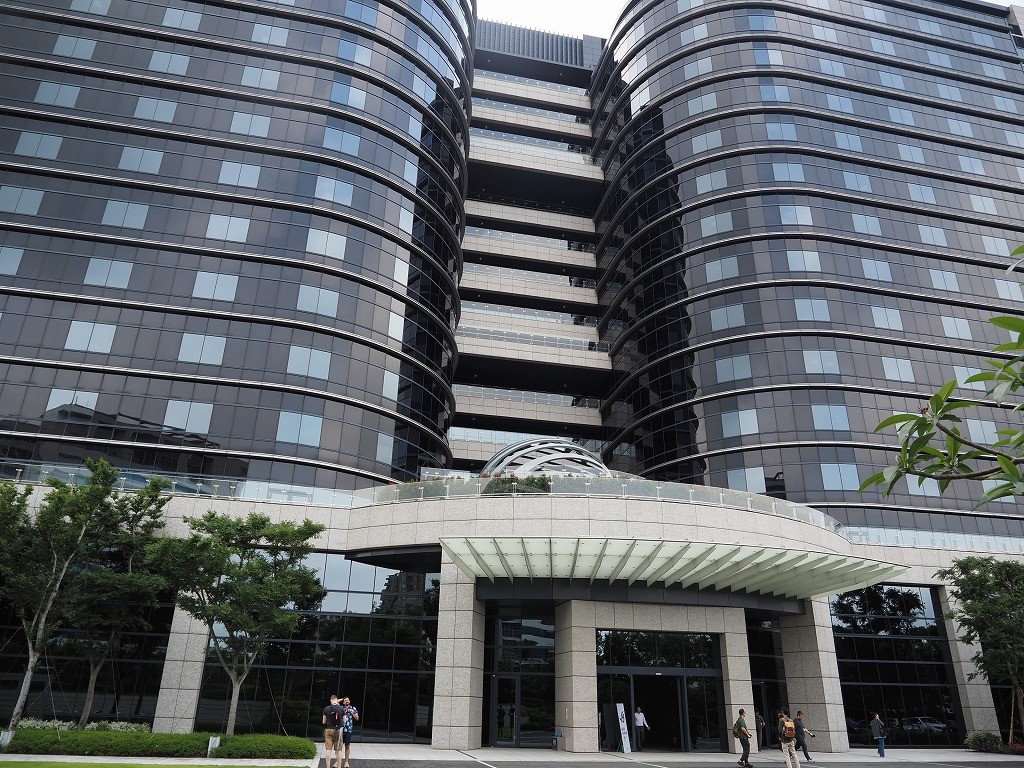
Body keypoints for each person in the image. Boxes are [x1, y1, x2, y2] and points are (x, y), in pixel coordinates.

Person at [321, 694, 343, 768]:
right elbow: (344, 721)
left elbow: (323, 722)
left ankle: (328, 766)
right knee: (339, 750)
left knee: (328, 749)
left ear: (330, 700)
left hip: (329, 730)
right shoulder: (341, 708)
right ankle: (339, 766)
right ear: (336, 700)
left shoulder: (326, 708)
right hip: (338, 730)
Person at [339, 695, 360, 768]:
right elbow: (334, 702)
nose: (347, 701)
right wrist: (342, 699)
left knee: (347, 746)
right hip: (341, 729)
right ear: (343, 702)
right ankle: (338, 762)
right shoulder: (340, 708)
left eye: (348, 700)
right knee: (339, 747)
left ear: (350, 701)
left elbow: (357, 718)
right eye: (345, 700)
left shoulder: (353, 708)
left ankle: (346, 762)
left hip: (348, 730)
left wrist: (352, 713)